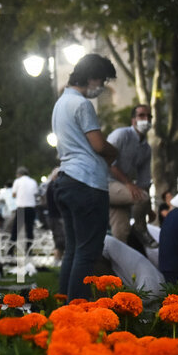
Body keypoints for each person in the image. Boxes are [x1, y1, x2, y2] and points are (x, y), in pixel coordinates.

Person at [52, 53, 120, 301]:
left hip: (67, 179)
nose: (101, 87)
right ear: (91, 77)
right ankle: (77, 309)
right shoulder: (81, 104)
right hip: (87, 181)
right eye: (101, 81)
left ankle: (63, 305)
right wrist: (116, 151)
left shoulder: (61, 102)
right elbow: (99, 145)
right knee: (87, 252)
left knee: (73, 250)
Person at [107, 104, 156, 248]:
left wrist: (147, 208)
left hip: (119, 189)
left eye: (149, 116)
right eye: (141, 116)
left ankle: (117, 269)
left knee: (121, 234)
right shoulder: (121, 135)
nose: (146, 120)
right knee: (142, 197)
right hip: (105, 182)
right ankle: (140, 229)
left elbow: (144, 180)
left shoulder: (146, 148)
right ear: (133, 120)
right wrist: (128, 183)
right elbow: (108, 161)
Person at [11, 166, 39, 256]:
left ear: (19, 174)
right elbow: (35, 194)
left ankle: (10, 251)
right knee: (30, 230)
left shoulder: (17, 181)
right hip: (31, 208)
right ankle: (29, 251)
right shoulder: (33, 181)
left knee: (15, 231)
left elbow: (14, 194)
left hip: (21, 208)